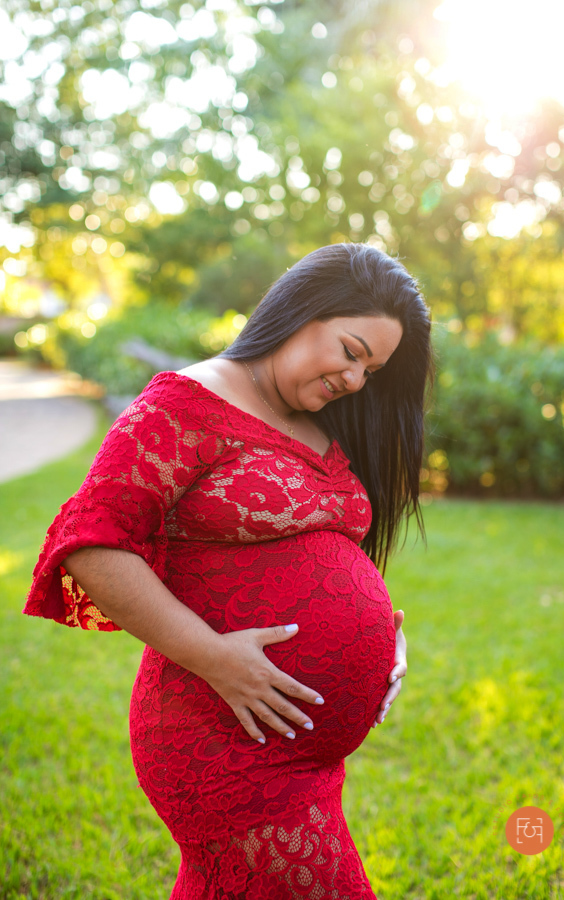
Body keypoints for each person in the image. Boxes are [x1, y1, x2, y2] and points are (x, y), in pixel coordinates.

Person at [24, 242, 433, 899]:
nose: (356, 380)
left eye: (371, 370)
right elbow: (93, 543)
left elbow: (332, 554)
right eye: (352, 351)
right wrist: (214, 656)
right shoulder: (182, 405)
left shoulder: (317, 423)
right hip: (219, 733)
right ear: (304, 309)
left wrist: (385, 637)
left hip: (294, 741)